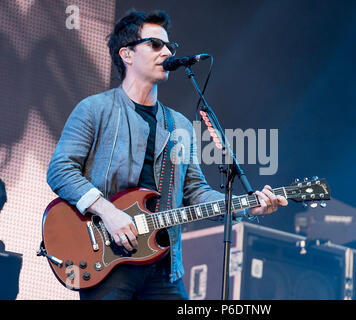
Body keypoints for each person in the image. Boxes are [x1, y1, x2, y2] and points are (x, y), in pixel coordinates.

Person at [47, 10, 288, 300]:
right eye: (155, 44)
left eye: (170, 46)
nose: (167, 51)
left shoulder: (180, 126)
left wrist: (248, 206)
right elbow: (60, 169)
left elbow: (196, 192)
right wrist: (108, 212)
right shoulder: (95, 109)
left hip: (163, 265)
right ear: (127, 54)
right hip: (108, 258)